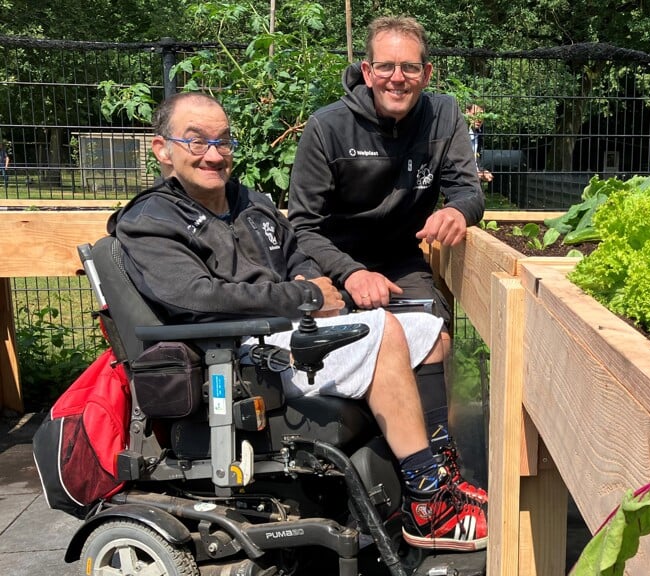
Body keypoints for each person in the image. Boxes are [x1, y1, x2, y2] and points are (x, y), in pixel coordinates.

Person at [108, 91, 487, 552]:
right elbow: (198, 296)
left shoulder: (247, 201)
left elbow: (296, 250)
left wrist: (310, 275)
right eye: (197, 141)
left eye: (223, 141)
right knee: (383, 332)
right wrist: (305, 295)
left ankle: (439, 477)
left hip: (289, 334)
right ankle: (428, 504)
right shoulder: (151, 221)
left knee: (429, 334)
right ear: (162, 148)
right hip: (241, 356)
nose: (214, 154)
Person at [287, 15, 487, 500]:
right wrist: (350, 273)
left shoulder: (444, 116)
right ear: (367, 70)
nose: (398, 78)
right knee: (352, 336)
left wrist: (459, 211)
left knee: (436, 338)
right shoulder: (328, 127)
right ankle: (365, 464)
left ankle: (439, 470)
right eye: (386, 67)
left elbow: (468, 190)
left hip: (400, 260)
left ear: (427, 73)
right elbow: (302, 225)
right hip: (330, 260)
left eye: (409, 68)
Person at [465, 104, 493, 183]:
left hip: (474, 181)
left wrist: (483, 171)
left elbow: (476, 160)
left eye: (481, 116)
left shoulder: (480, 134)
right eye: (475, 115)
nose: (479, 119)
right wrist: (475, 173)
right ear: (467, 113)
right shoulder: (459, 133)